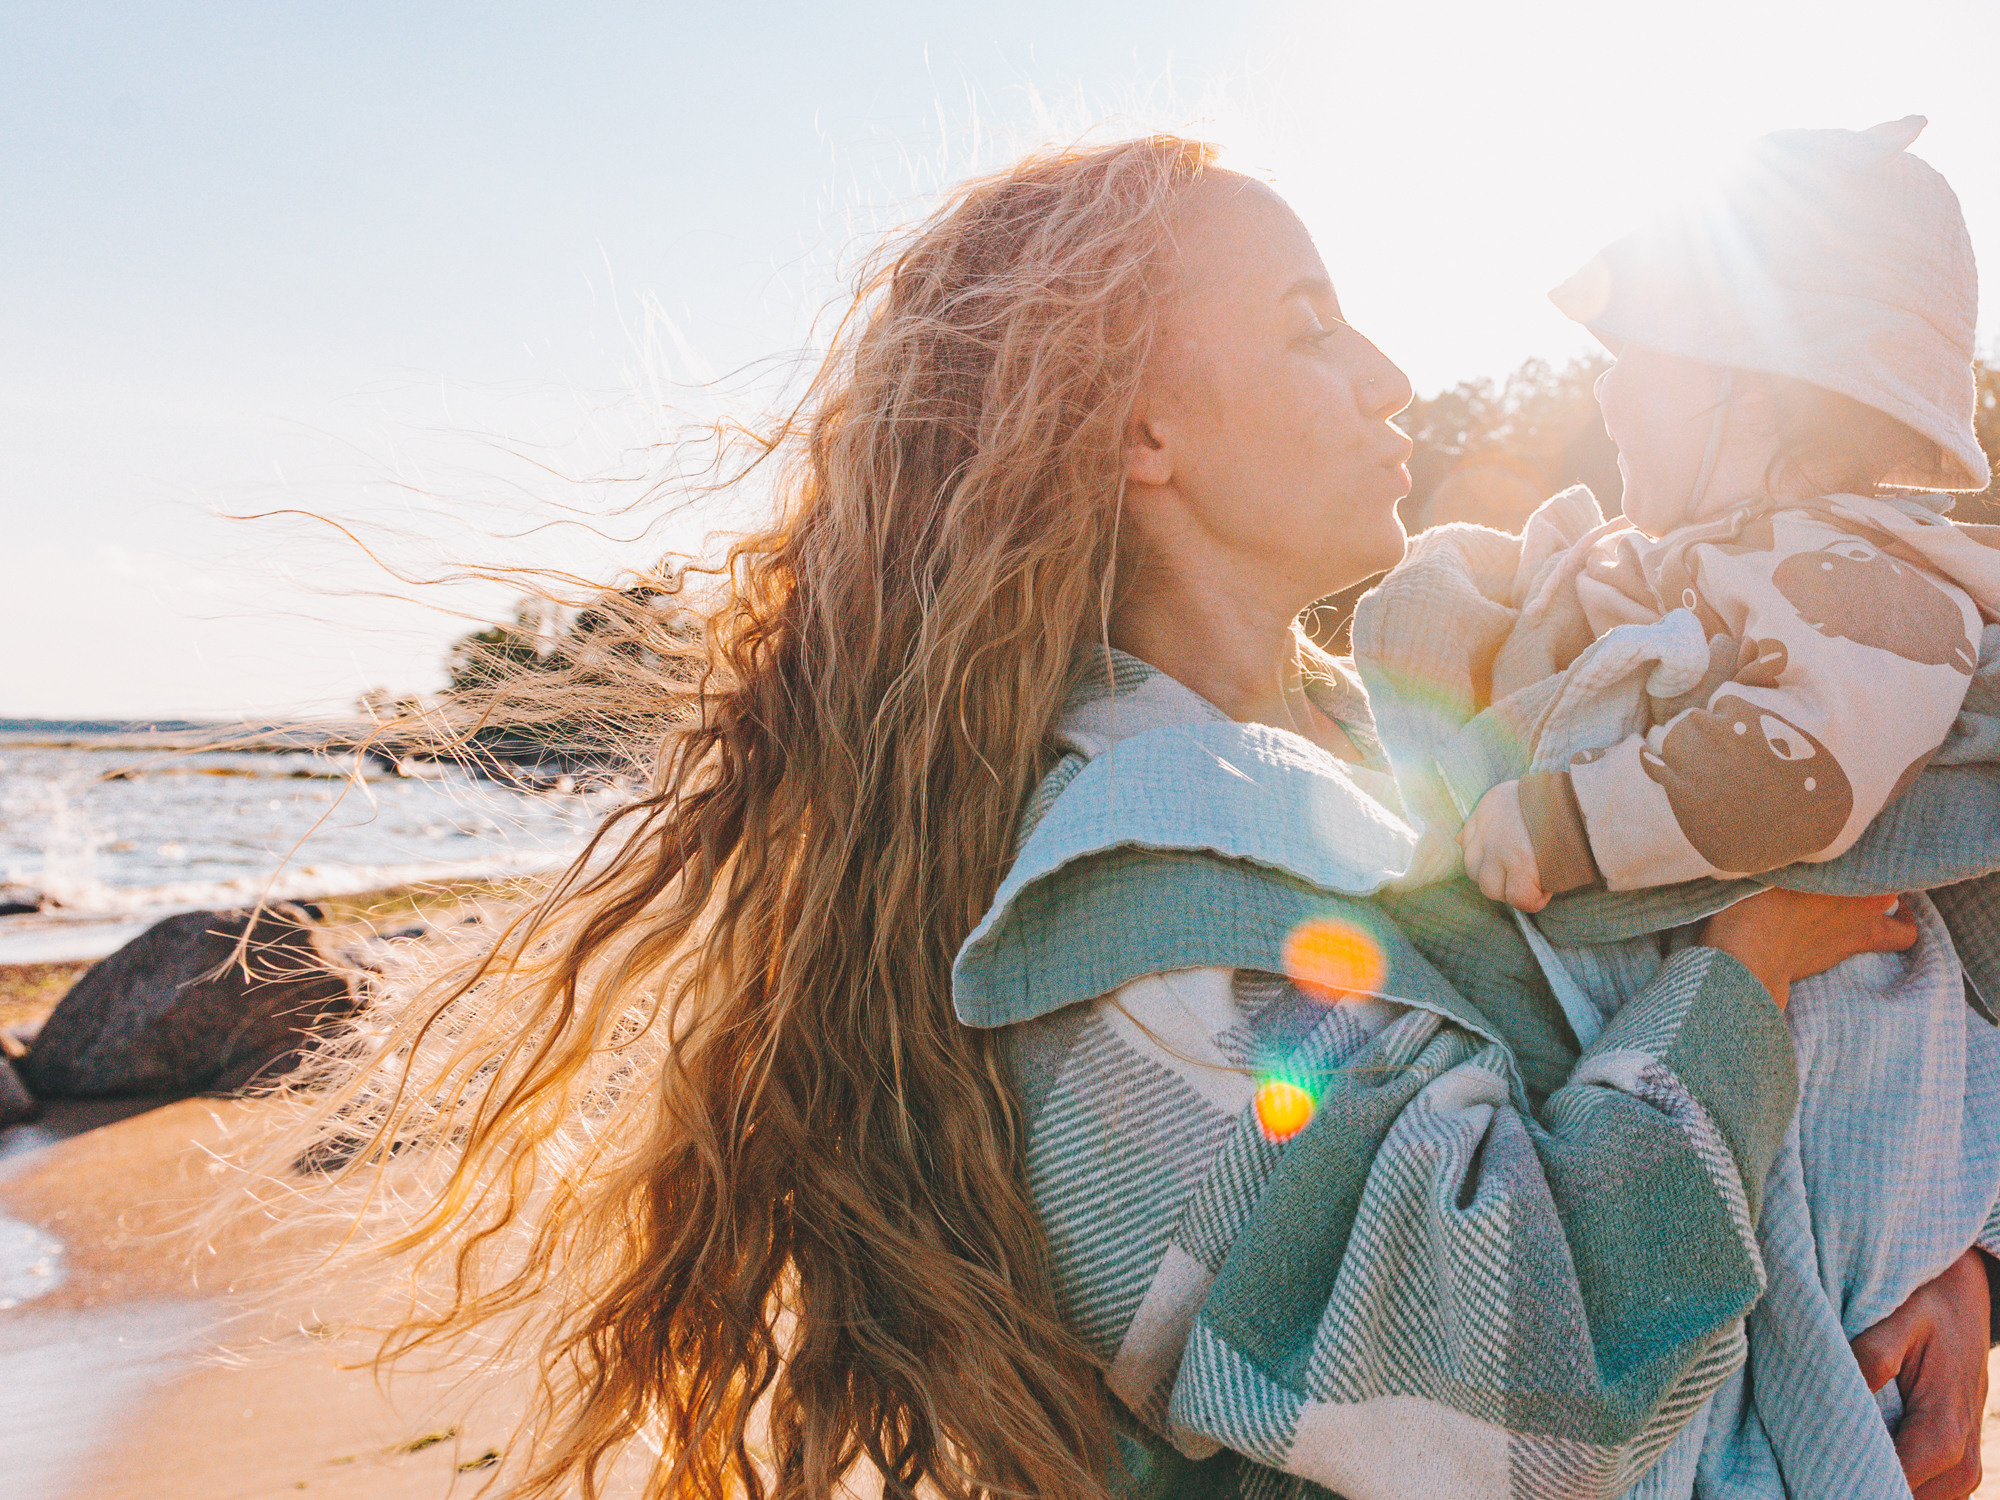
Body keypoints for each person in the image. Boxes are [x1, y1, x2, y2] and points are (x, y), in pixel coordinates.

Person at [294, 135, 1985, 1500]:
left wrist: (1960, 1261)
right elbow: (1513, 1403)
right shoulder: (1127, 924)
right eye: (1313, 327)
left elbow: (1889, 972)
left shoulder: (1417, 744)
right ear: (1140, 430)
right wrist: (1747, 980)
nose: (1394, 374)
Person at [1350, 119, 2000, 1497]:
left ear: (1747, 387)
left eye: (1637, 361)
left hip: (1829, 1148)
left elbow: (1801, 770)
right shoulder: (1714, 568)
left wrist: (1572, 819)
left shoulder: (1863, 578)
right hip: (1712, 1134)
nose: (1612, 401)